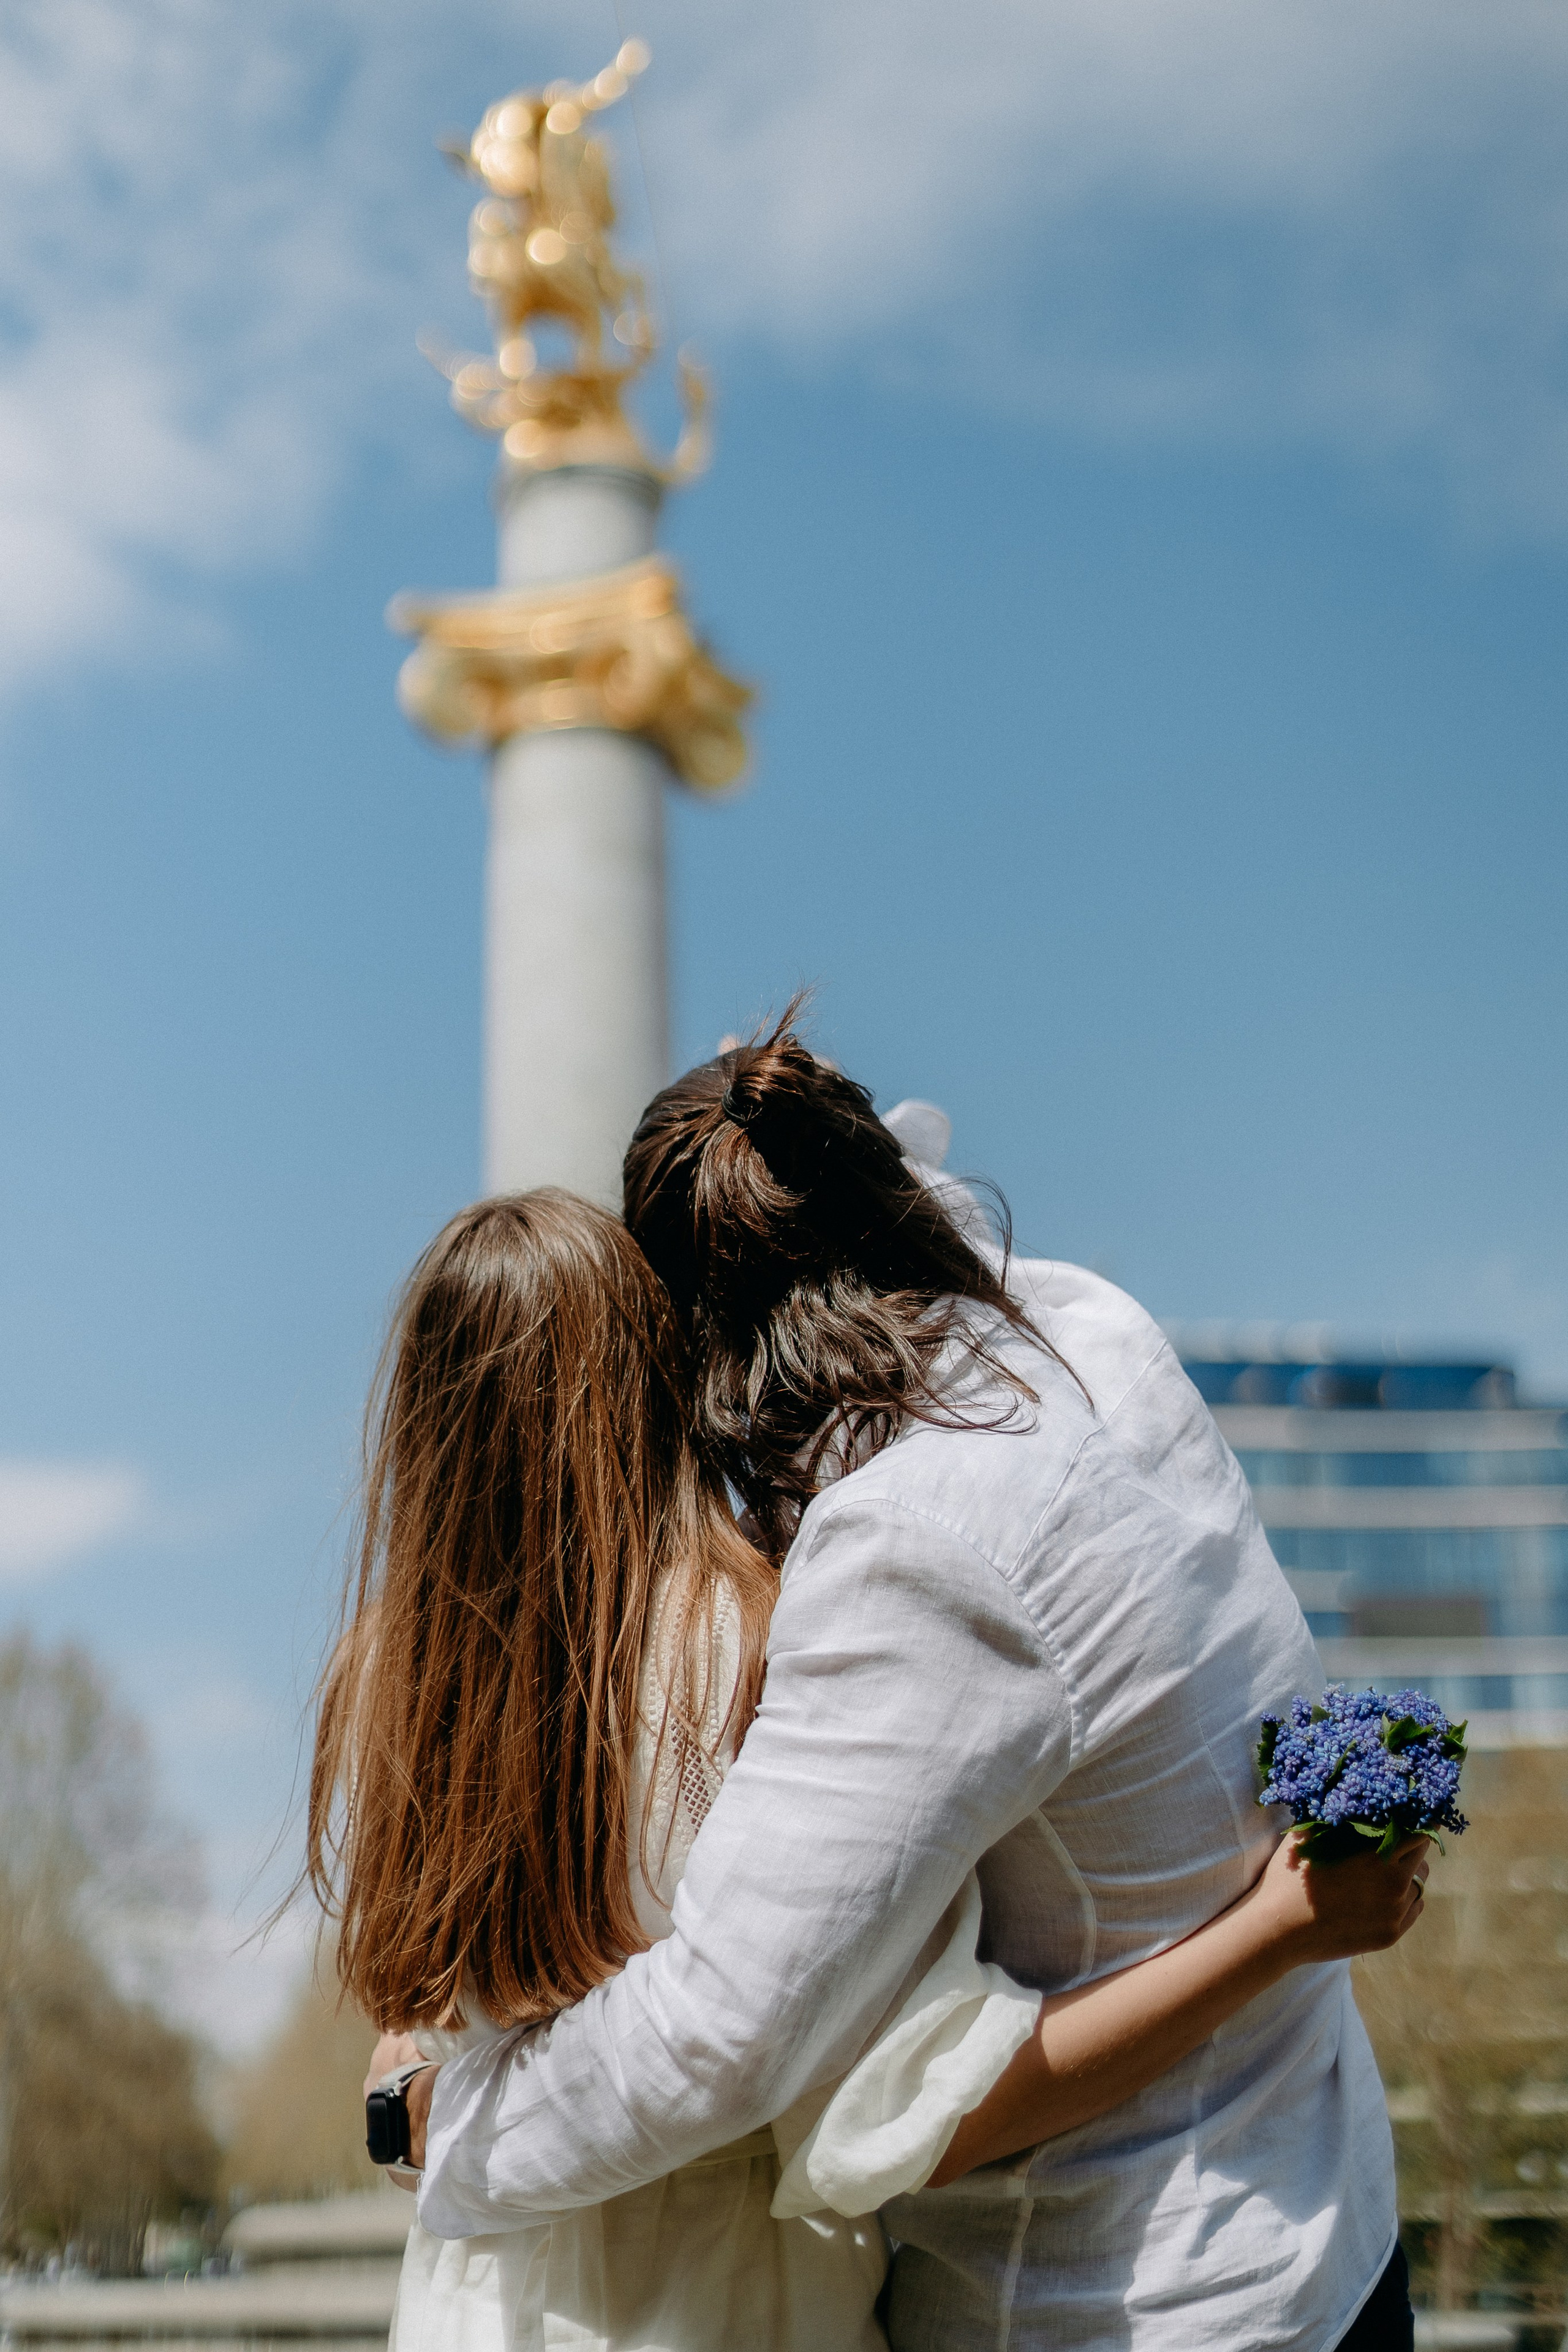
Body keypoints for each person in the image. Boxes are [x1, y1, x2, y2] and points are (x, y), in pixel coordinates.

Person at [407, 1017, 1420, 2350]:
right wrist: (767, 1123)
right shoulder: (1078, 1324)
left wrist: (440, 2119)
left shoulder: (913, 1545)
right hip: (1330, 2217)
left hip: (1133, 2295)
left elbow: (718, 2031)